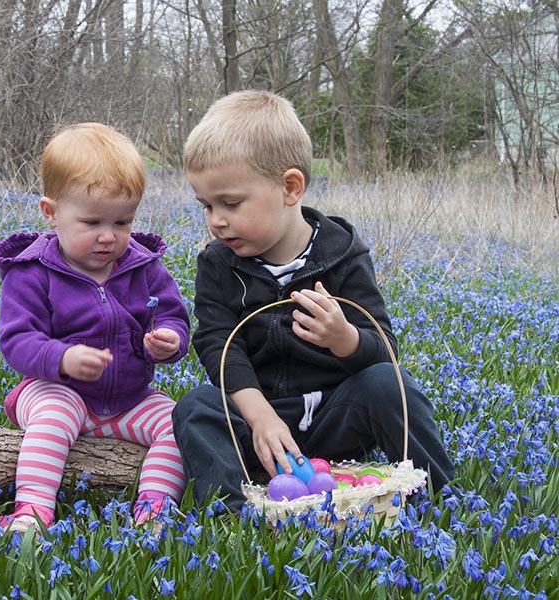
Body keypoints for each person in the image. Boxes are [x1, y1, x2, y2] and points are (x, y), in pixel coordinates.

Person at [171, 91, 455, 514]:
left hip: (334, 419)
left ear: (290, 187)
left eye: (230, 203)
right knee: (196, 406)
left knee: (391, 384)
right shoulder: (218, 263)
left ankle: (438, 501)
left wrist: (344, 339)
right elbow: (217, 345)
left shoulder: (342, 254)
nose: (216, 220)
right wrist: (260, 417)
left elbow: (384, 351)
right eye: (206, 206)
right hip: (258, 424)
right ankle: (231, 515)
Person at [0, 122, 190, 533]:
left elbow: (171, 315)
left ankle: (154, 508)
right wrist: (60, 358)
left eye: (122, 223)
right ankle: (32, 510)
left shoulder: (144, 267)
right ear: (51, 212)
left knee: (179, 422)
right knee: (55, 414)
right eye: (93, 222)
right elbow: (16, 341)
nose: (108, 237)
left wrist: (170, 340)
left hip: (129, 399)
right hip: (54, 390)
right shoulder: (32, 273)